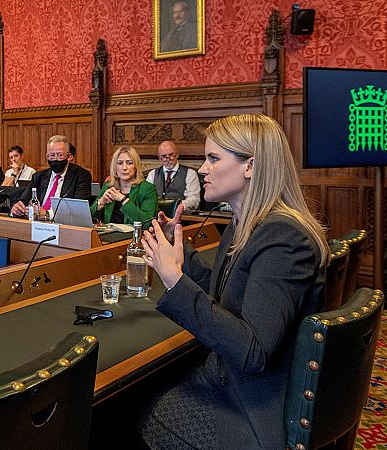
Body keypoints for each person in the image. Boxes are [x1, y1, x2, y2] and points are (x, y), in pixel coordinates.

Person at [137, 114, 329, 447]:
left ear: (250, 166)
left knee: (130, 410)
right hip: (231, 383)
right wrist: (181, 254)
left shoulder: (283, 237)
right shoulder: (246, 224)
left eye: (213, 158)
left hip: (251, 408)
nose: (202, 169)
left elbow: (252, 352)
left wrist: (172, 279)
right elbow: (230, 290)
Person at [10, 135, 92, 218]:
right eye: (52, 155)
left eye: (60, 155)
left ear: (69, 157)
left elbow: (78, 210)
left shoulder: (81, 176)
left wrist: (47, 214)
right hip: (37, 224)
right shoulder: (38, 177)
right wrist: (17, 208)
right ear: (47, 156)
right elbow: (23, 200)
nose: (56, 159)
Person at [91, 146, 157, 224]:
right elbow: (88, 219)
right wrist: (101, 202)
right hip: (108, 235)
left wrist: (123, 200)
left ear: (135, 167)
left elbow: (147, 223)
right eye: (120, 163)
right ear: (115, 167)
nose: (124, 167)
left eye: (129, 163)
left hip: (133, 235)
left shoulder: (147, 189)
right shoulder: (108, 186)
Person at [146, 140, 201, 210]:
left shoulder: (190, 173)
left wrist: (176, 206)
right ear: (159, 158)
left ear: (177, 154)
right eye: (164, 156)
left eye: (171, 155)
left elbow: (194, 200)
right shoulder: (152, 174)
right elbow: (147, 197)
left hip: (181, 214)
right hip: (156, 213)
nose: (168, 159)